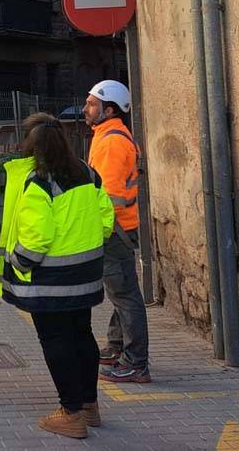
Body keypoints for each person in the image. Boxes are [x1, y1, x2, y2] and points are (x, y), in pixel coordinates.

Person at [0, 113, 113, 439]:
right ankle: (90, 406)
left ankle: (70, 413)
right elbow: (105, 221)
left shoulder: (39, 183)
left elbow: (36, 239)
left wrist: (18, 262)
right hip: (87, 275)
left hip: (51, 281)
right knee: (83, 336)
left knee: (56, 342)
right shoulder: (88, 174)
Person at [84, 79, 152, 383]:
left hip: (115, 230)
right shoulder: (107, 135)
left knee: (125, 295)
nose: (86, 109)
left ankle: (136, 363)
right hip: (119, 228)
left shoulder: (112, 142)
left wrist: (93, 230)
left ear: (109, 109)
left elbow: (106, 197)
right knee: (120, 293)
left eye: (92, 104)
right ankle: (116, 346)